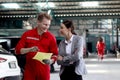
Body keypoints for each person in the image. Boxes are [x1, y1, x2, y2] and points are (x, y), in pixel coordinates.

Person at [15, 12, 58, 80]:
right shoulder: (27, 34)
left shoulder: (51, 37)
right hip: (30, 70)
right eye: (45, 24)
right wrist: (30, 49)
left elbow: (55, 54)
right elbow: (17, 50)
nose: (47, 27)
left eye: (48, 25)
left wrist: (51, 61)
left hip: (44, 71)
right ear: (38, 22)